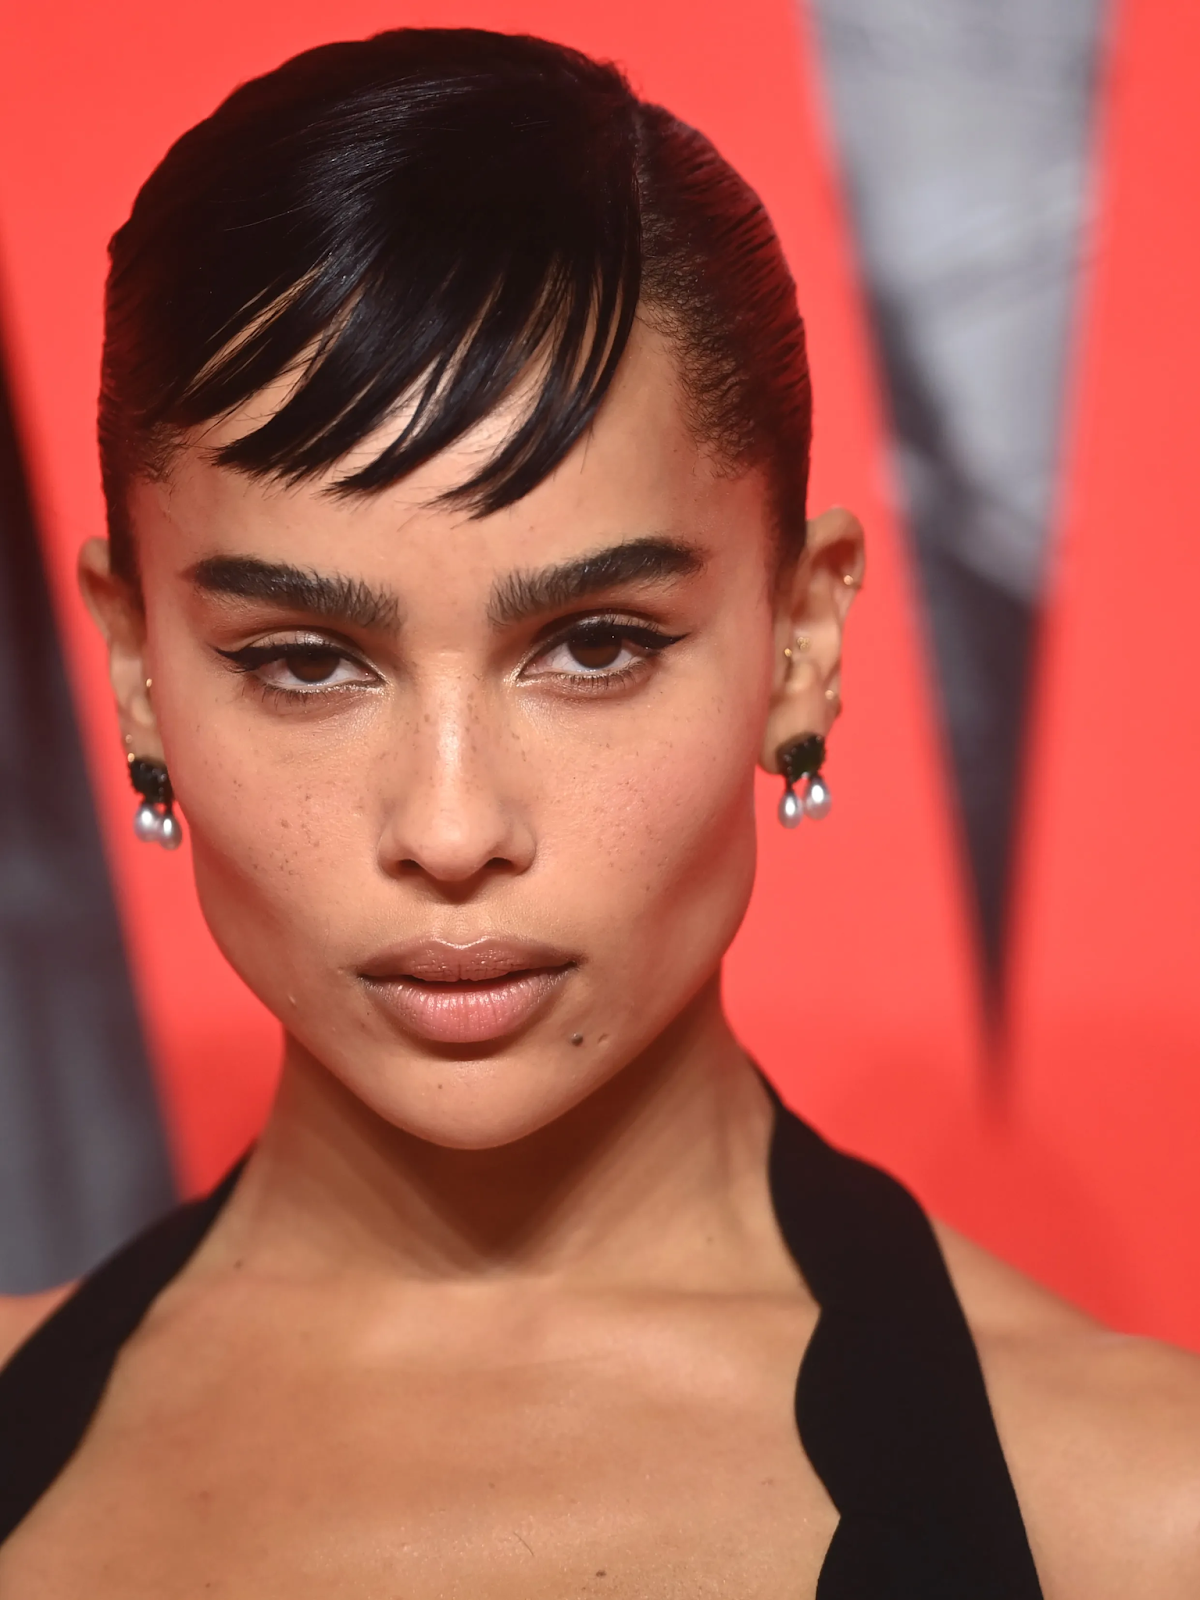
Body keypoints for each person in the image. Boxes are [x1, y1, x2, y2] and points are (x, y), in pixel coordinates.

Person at [0, 27, 1197, 1598]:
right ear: (139, 671)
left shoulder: (1141, 1517)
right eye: (303, 662)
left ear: (801, 640)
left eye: (594, 647)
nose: (450, 829)